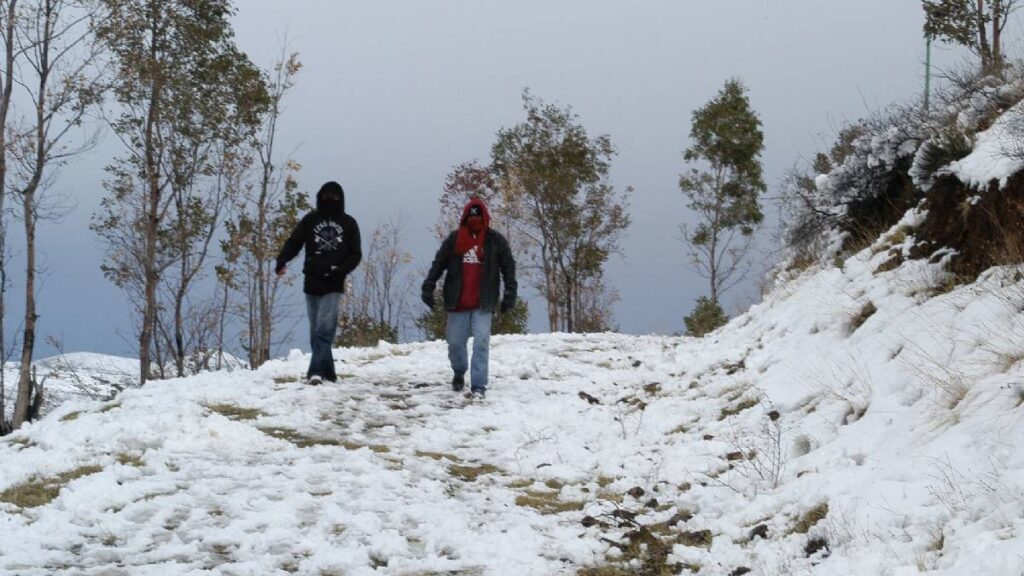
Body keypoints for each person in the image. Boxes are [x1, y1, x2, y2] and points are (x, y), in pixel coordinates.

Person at [422, 197, 517, 399]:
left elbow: (508, 267)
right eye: (471, 215)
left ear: (485, 217)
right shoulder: (455, 240)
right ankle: (459, 372)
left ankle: (479, 386)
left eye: (478, 215)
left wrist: (510, 292)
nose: (475, 219)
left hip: (484, 302)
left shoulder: (495, 240)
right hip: (457, 302)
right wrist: (429, 285)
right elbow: (439, 263)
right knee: (455, 344)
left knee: (481, 342)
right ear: (465, 217)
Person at [275, 181, 362, 385]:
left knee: (325, 329)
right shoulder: (310, 220)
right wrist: (282, 260)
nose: (330, 200)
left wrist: (340, 271)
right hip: (311, 281)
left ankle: (314, 372)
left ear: (340, 199)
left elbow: (356, 254)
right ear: (319, 197)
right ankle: (329, 373)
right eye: (326, 196)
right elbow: (294, 242)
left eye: (334, 197)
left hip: (333, 283)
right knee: (316, 332)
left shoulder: (349, 223)